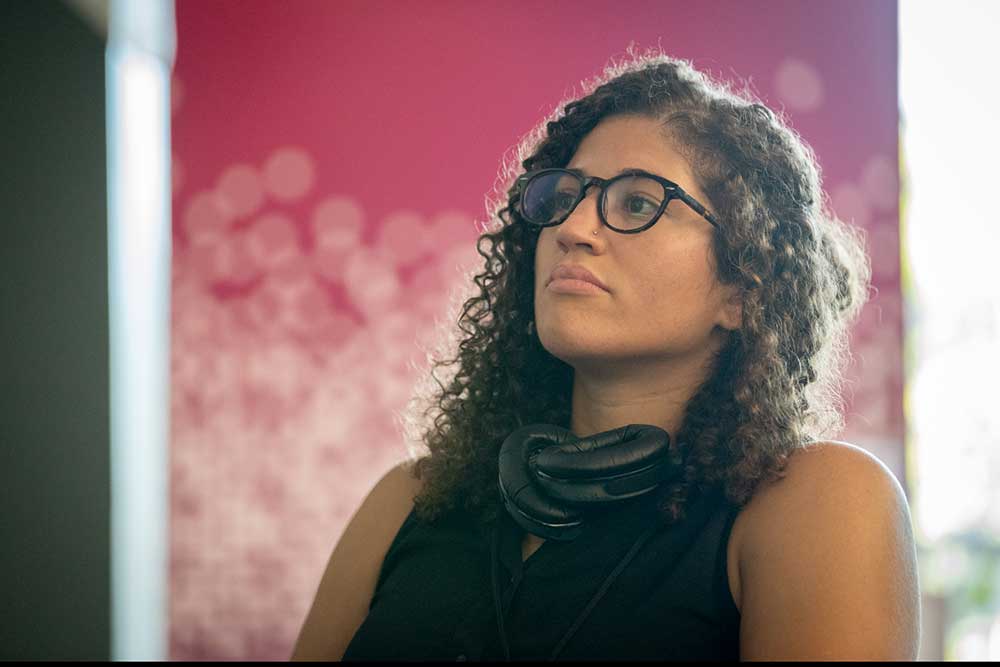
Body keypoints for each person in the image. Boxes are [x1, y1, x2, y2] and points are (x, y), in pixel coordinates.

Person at [291, 49, 920, 661]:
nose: (572, 229)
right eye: (563, 198)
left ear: (742, 286)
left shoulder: (813, 500)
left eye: (639, 204)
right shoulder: (409, 501)